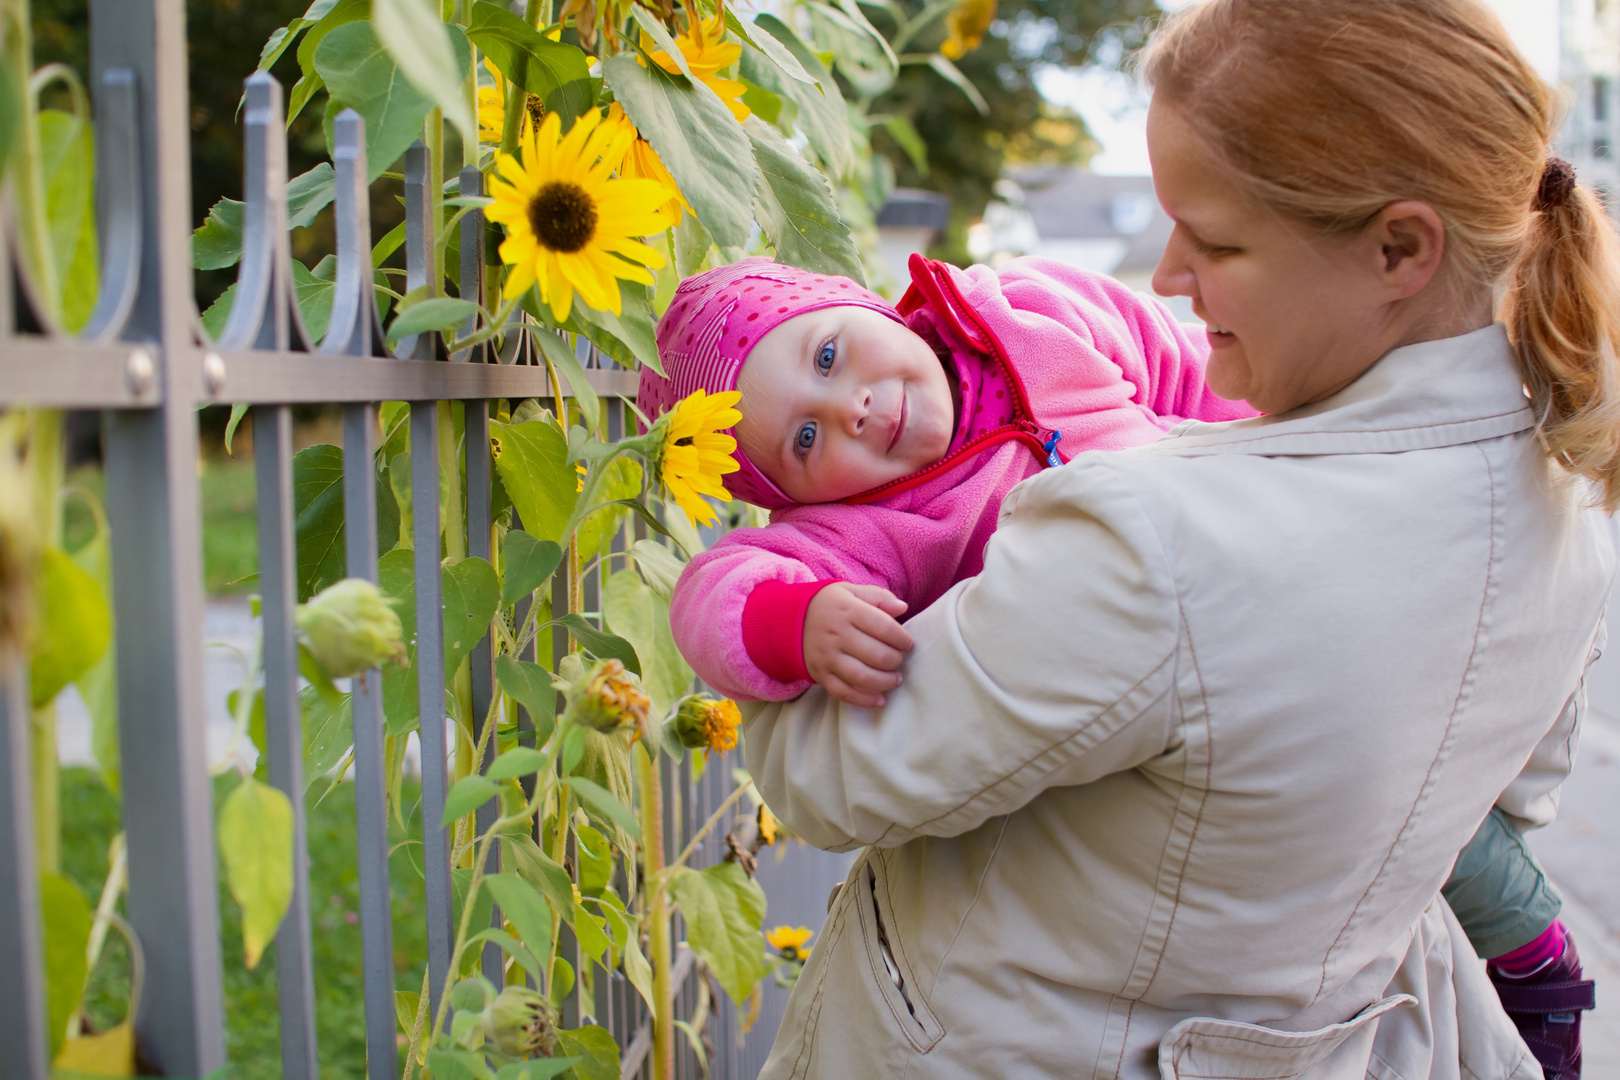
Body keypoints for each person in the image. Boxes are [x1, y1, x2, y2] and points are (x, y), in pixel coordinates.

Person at [731, 0, 1619, 1076]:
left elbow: (833, 781)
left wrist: (787, 591)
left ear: (1400, 248)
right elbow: (1502, 808)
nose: (1165, 277)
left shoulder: (1160, 542)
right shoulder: (1567, 501)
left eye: (1217, 239)